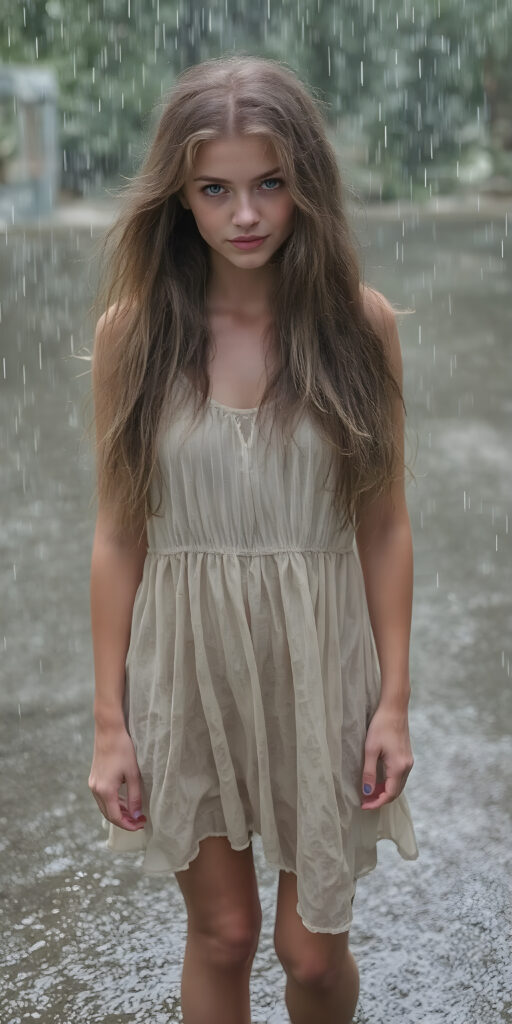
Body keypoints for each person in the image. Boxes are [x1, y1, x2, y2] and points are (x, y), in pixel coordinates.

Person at [87, 54, 419, 1024]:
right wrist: (111, 723)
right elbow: (116, 534)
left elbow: (384, 521)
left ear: (303, 183)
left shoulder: (360, 327)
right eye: (215, 189)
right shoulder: (132, 335)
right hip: (188, 665)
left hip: (321, 662)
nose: (244, 214)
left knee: (311, 954)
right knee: (224, 935)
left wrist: (392, 702)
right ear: (178, 197)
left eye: (269, 183)